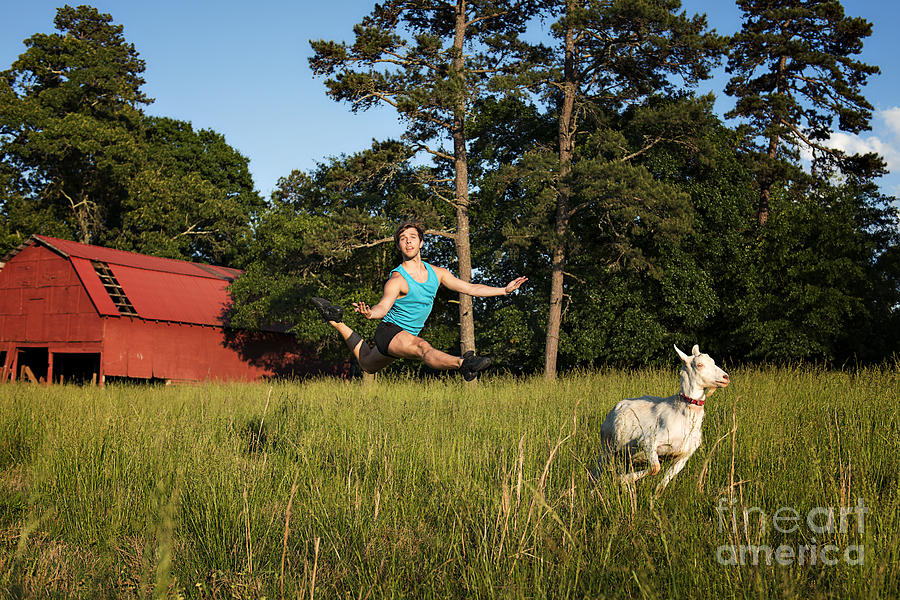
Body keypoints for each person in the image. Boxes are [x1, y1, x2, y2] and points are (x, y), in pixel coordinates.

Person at [311, 221, 528, 380]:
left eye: (412, 237)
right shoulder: (397, 279)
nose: (408, 241)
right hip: (390, 331)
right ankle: (464, 363)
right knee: (423, 348)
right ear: (398, 246)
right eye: (403, 239)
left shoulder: (438, 273)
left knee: (367, 364)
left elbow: (470, 288)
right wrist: (370, 313)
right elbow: (383, 306)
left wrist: (504, 290)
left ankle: (335, 320)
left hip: (406, 335)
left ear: (421, 242)